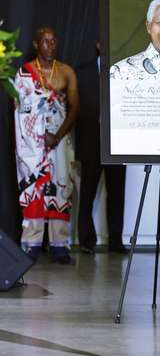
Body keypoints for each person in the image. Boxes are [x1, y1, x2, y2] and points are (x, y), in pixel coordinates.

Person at [14, 27, 79, 263]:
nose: (50, 45)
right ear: (36, 44)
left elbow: (75, 108)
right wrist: (38, 136)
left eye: (53, 41)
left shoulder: (66, 72)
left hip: (60, 141)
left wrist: (57, 135)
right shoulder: (24, 73)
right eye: (45, 41)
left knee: (61, 186)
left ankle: (59, 245)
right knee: (34, 188)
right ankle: (31, 244)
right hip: (32, 145)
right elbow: (20, 111)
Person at [75, 40, 127, 254]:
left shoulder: (125, 72)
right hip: (90, 143)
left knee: (117, 195)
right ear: (97, 45)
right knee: (87, 195)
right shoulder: (81, 72)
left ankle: (116, 241)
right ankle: (87, 242)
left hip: (117, 144)